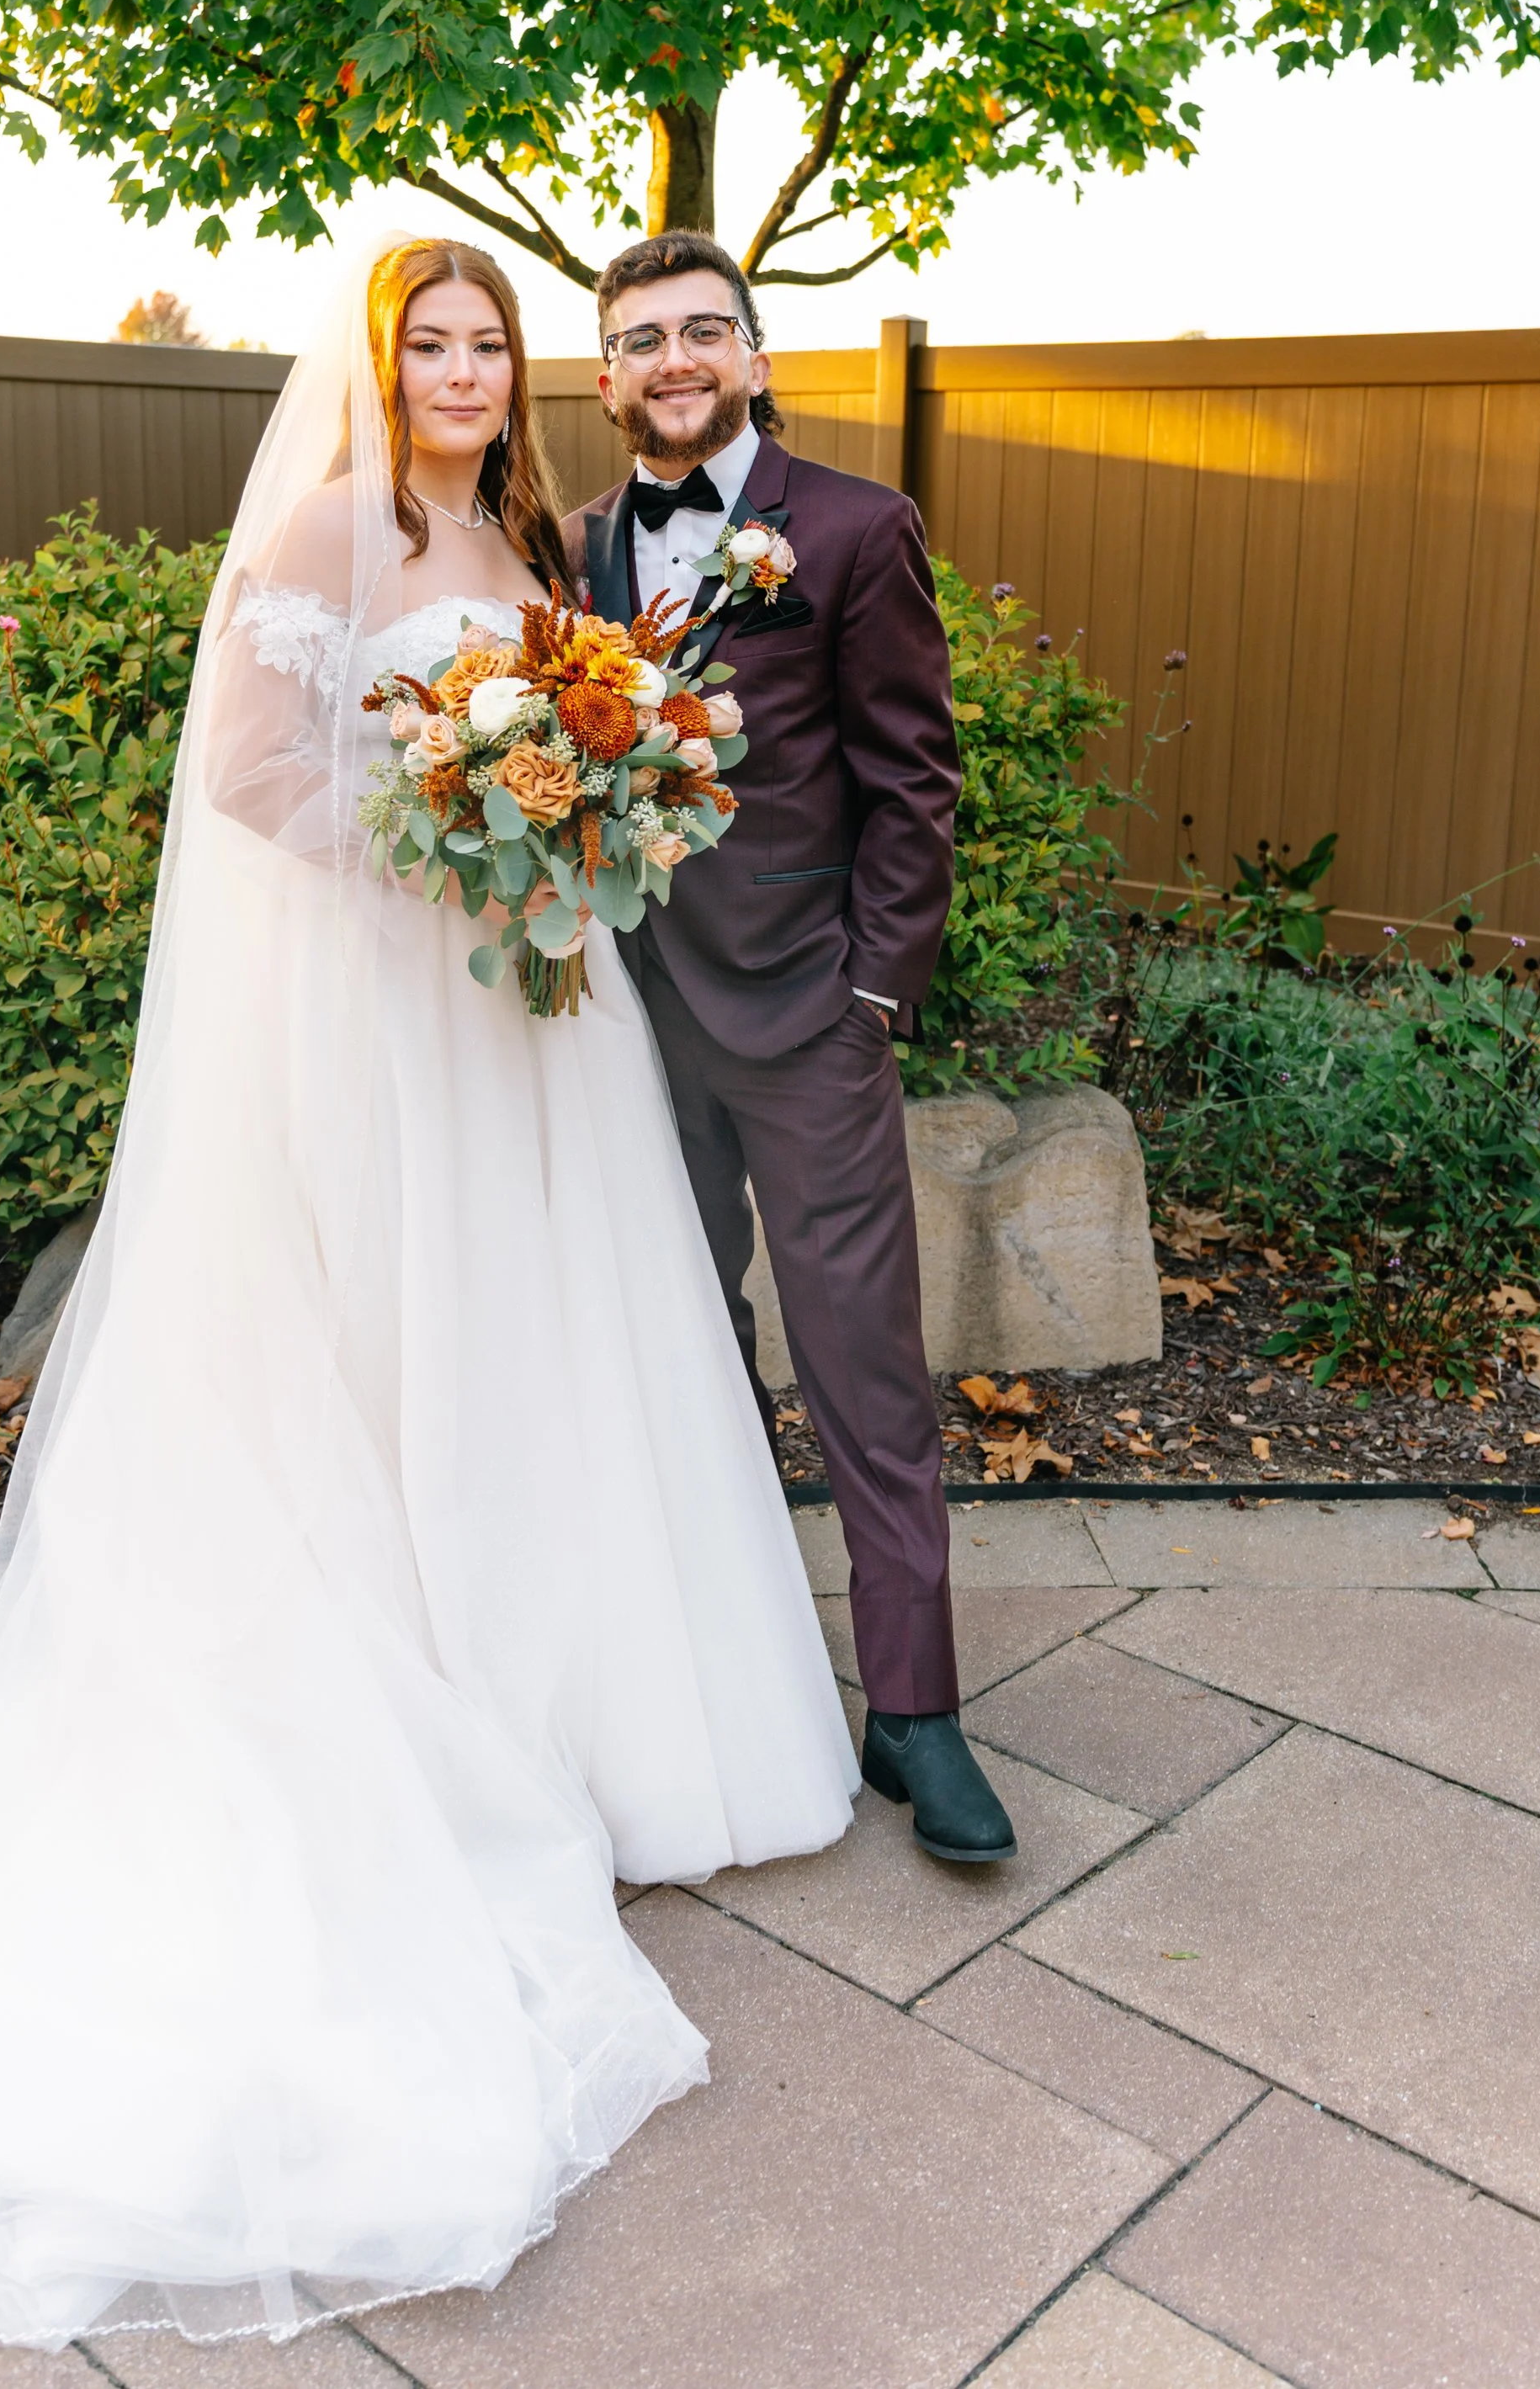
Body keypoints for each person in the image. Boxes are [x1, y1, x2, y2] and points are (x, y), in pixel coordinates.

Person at [0, 231, 855, 2352]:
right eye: (426, 344)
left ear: (519, 377)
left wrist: (573, 795)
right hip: (381, 1009)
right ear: (376, 363)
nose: (455, 368)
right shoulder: (330, 516)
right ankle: (422, 1700)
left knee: (549, 1346)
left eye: (482, 344)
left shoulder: (523, 526)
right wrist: (442, 821)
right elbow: (246, 773)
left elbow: (561, 725)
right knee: (384, 1347)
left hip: (524, 1006)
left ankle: (574, 1714)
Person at [570, 231, 1016, 1868]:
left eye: (701, 332)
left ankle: (913, 1711)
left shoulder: (848, 528)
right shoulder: (569, 553)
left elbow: (911, 779)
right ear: (605, 375)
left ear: (753, 359)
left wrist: (873, 996)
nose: (671, 359)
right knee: (665, 1374)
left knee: (862, 1377)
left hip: (806, 1026)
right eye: (638, 339)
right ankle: (703, 1699)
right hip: (623, 1035)